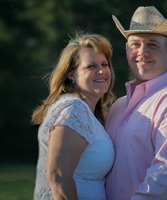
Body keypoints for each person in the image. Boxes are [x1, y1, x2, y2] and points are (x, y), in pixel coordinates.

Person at [105, 6, 167, 200]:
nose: (141, 52)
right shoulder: (118, 106)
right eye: (135, 44)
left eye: (152, 44)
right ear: (127, 50)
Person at [32, 32, 115, 200]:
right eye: (91, 66)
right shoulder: (74, 109)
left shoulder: (90, 113)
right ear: (71, 74)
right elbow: (58, 175)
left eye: (104, 64)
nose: (101, 71)